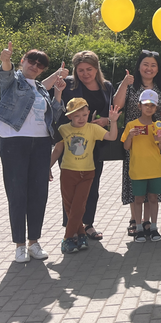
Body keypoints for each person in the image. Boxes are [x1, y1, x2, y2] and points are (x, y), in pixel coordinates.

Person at [0, 42, 67, 263]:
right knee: (17, 194)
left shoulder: (41, 88)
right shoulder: (13, 81)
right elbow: (5, 73)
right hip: (14, 142)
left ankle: (34, 242)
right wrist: (5, 59)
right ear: (22, 61)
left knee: (38, 194)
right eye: (31, 61)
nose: (34, 66)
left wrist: (58, 93)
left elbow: (53, 114)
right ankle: (20, 245)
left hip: (41, 143)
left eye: (40, 65)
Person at [55, 50, 114, 241]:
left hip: (95, 143)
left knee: (92, 186)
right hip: (70, 143)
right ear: (75, 70)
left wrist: (106, 120)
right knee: (70, 189)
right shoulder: (68, 84)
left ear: (96, 69)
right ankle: (73, 228)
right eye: (80, 70)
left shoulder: (106, 86)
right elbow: (57, 108)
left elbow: (112, 111)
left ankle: (88, 224)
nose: (85, 73)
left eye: (89, 69)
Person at [50, 98, 121, 254]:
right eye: (76, 116)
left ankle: (67, 238)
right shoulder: (63, 129)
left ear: (89, 113)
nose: (81, 119)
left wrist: (113, 121)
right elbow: (58, 150)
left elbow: (112, 137)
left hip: (88, 173)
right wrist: (47, 167)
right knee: (70, 207)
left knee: (79, 206)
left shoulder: (92, 128)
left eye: (84, 115)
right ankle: (81, 234)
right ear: (69, 116)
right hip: (68, 172)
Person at [113, 50, 161, 238]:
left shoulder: (160, 88)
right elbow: (116, 105)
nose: (149, 68)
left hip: (154, 142)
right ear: (139, 66)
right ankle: (135, 220)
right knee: (136, 184)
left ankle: (148, 221)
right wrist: (124, 83)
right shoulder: (130, 85)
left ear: (158, 69)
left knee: (152, 185)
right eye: (145, 64)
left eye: (153, 65)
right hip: (134, 140)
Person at [121, 89, 161, 242]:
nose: (149, 108)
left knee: (153, 198)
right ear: (139, 106)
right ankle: (139, 228)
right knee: (138, 199)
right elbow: (126, 147)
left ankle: (153, 227)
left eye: (152, 105)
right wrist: (130, 136)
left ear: (156, 108)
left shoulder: (158, 125)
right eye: (146, 105)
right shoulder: (131, 125)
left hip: (155, 168)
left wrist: (159, 140)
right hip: (138, 169)